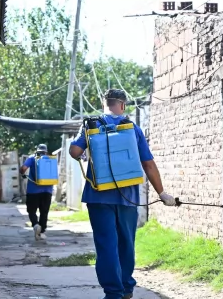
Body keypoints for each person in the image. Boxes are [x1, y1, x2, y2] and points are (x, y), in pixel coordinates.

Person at [69, 89, 176, 299]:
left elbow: (73, 151)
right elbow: (148, 163)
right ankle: (127, 288)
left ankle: (113, 292)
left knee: (106, 244)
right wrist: (162, 193)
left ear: (104, 103)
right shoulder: (132, 128)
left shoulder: (92, 125)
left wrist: (84, 154)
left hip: (98, 196)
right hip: (127, 197)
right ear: (123, 105)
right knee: (126, 243)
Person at [20, 144, 54, 241]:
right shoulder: (51, 159)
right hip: (47, 191)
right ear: (46, 151)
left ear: (37, 150)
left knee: (31, 211)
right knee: (44, 212)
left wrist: (22, 173)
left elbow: (23, 169)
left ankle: (35, 225)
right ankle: (42, 232)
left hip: (33, 191)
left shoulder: (32, 158)